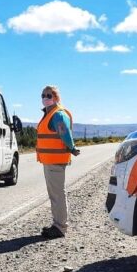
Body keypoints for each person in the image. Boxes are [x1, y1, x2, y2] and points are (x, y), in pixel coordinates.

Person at [37, 85, 80, 239]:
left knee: (57, 194)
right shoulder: (50, 113)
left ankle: (60, 227)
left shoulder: (58, 115)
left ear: (56, 97)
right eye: (43, 95)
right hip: (50, 160)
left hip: (55, 160)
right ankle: (58, 225)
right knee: (55, 193)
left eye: (49, 95)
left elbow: (65, 134)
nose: (45, 98)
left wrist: (72, 148)